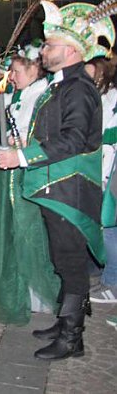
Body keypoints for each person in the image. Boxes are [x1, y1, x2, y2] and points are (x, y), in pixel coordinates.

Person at [0, 0, 115, 360]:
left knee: (71, 262)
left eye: (50, 45)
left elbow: (75, 139)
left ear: (72, 50)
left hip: (70, 190)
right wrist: (25, 144)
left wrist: (22, 157)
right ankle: (65, 323)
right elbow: (52, 133)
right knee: (62, 259)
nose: (44, 51)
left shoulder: (78, 88)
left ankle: (72, 339)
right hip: (55, 187)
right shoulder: (62, 86)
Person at [0, 45, 61, 325]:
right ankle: (18, 289)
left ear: (33, 69)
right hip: (12, 170)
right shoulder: (22, 96)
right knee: (12, 230)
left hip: (29, 173)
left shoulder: (42, 96)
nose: (11, 76)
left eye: (15, 71)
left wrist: (22, 145)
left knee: (29, 231)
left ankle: (38, 293)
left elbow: (46, 138)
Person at [87, 57, 117, 305]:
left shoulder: (111, 98)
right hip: (98, 169)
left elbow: (106, 140)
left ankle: (112, 282)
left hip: (108, 170)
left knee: (109, 228)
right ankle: (103, 272)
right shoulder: (98, 97)